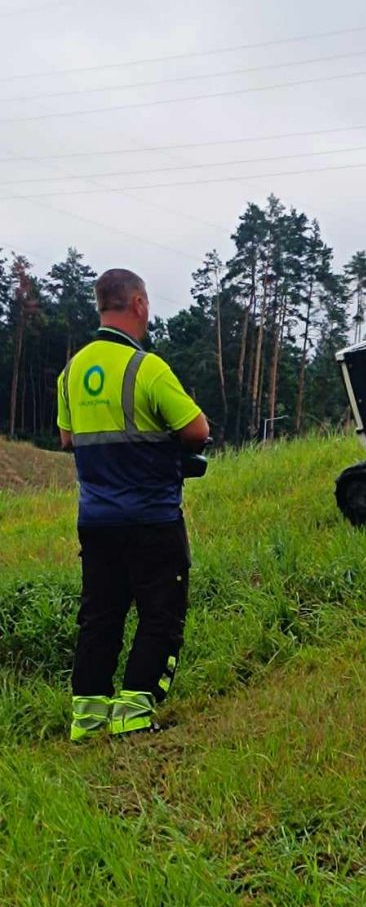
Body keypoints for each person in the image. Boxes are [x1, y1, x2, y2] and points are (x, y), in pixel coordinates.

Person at [57, 268, 210, 742]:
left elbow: (67, 438)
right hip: (151, 516)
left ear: (101, 305)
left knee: (100, 614)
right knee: (160, 611)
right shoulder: (148, 368)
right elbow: (197, 429)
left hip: (96, 520)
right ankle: (136, 710)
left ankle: (88, 717)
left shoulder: (73, 370)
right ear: (139, 303)